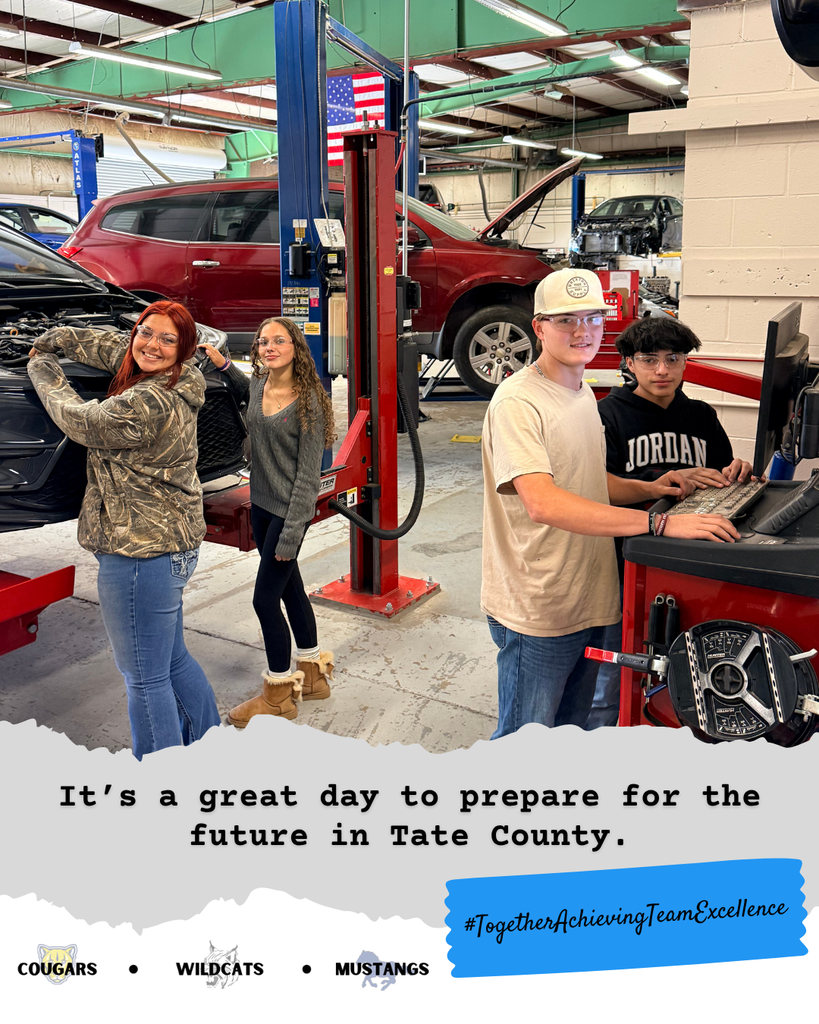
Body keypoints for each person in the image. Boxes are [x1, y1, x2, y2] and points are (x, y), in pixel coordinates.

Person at [480, 268, 740, 739]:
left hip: (591, 596)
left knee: (568, 733)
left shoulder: (579, 392)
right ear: (538, 327)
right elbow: (543, 503)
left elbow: (589, 483)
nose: (582, 331)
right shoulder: (519, 402)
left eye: (593, 318)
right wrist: (660, 526)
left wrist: (660, 486)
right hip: (542, 606)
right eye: (566, 320)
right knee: (524, 743)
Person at [27, 301, 221, 760]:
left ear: (185, 348)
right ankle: (209, 754)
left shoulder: (150, 401)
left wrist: (43, 366)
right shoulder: (183, 376)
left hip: (140, 554)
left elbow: (81, 420)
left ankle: (159, 784)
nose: (152, 345)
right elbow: (116, 347)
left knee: (144, 676)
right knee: (171, 661)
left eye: (167, 339)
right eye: (146, 333)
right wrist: (55, 335)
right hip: (171, 543)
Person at [585, 316, 755, 728]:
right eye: (648, 360)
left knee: (690, 658)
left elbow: (717, 475)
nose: (661, 370)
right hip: (631, 559)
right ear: (628, 363)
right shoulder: (607, 415)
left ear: (684, 363)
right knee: (616, 671)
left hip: (690, 560)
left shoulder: (701, 415)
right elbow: (600, 489)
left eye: (672, 359)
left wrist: (736, 472)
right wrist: (661, 485)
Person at [198, 317, 336, 727]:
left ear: (296, 346)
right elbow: (243, 390)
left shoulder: (308, 399)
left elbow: (309, 478)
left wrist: (291, 535)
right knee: (291, 590)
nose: (268, 347)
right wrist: (223, 363)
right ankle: (312, 677)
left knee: (263, 599)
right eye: (262, 342)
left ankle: (278, 694)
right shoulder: (259, 385)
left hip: (288, 513)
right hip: (261, 505)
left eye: (278, 341)